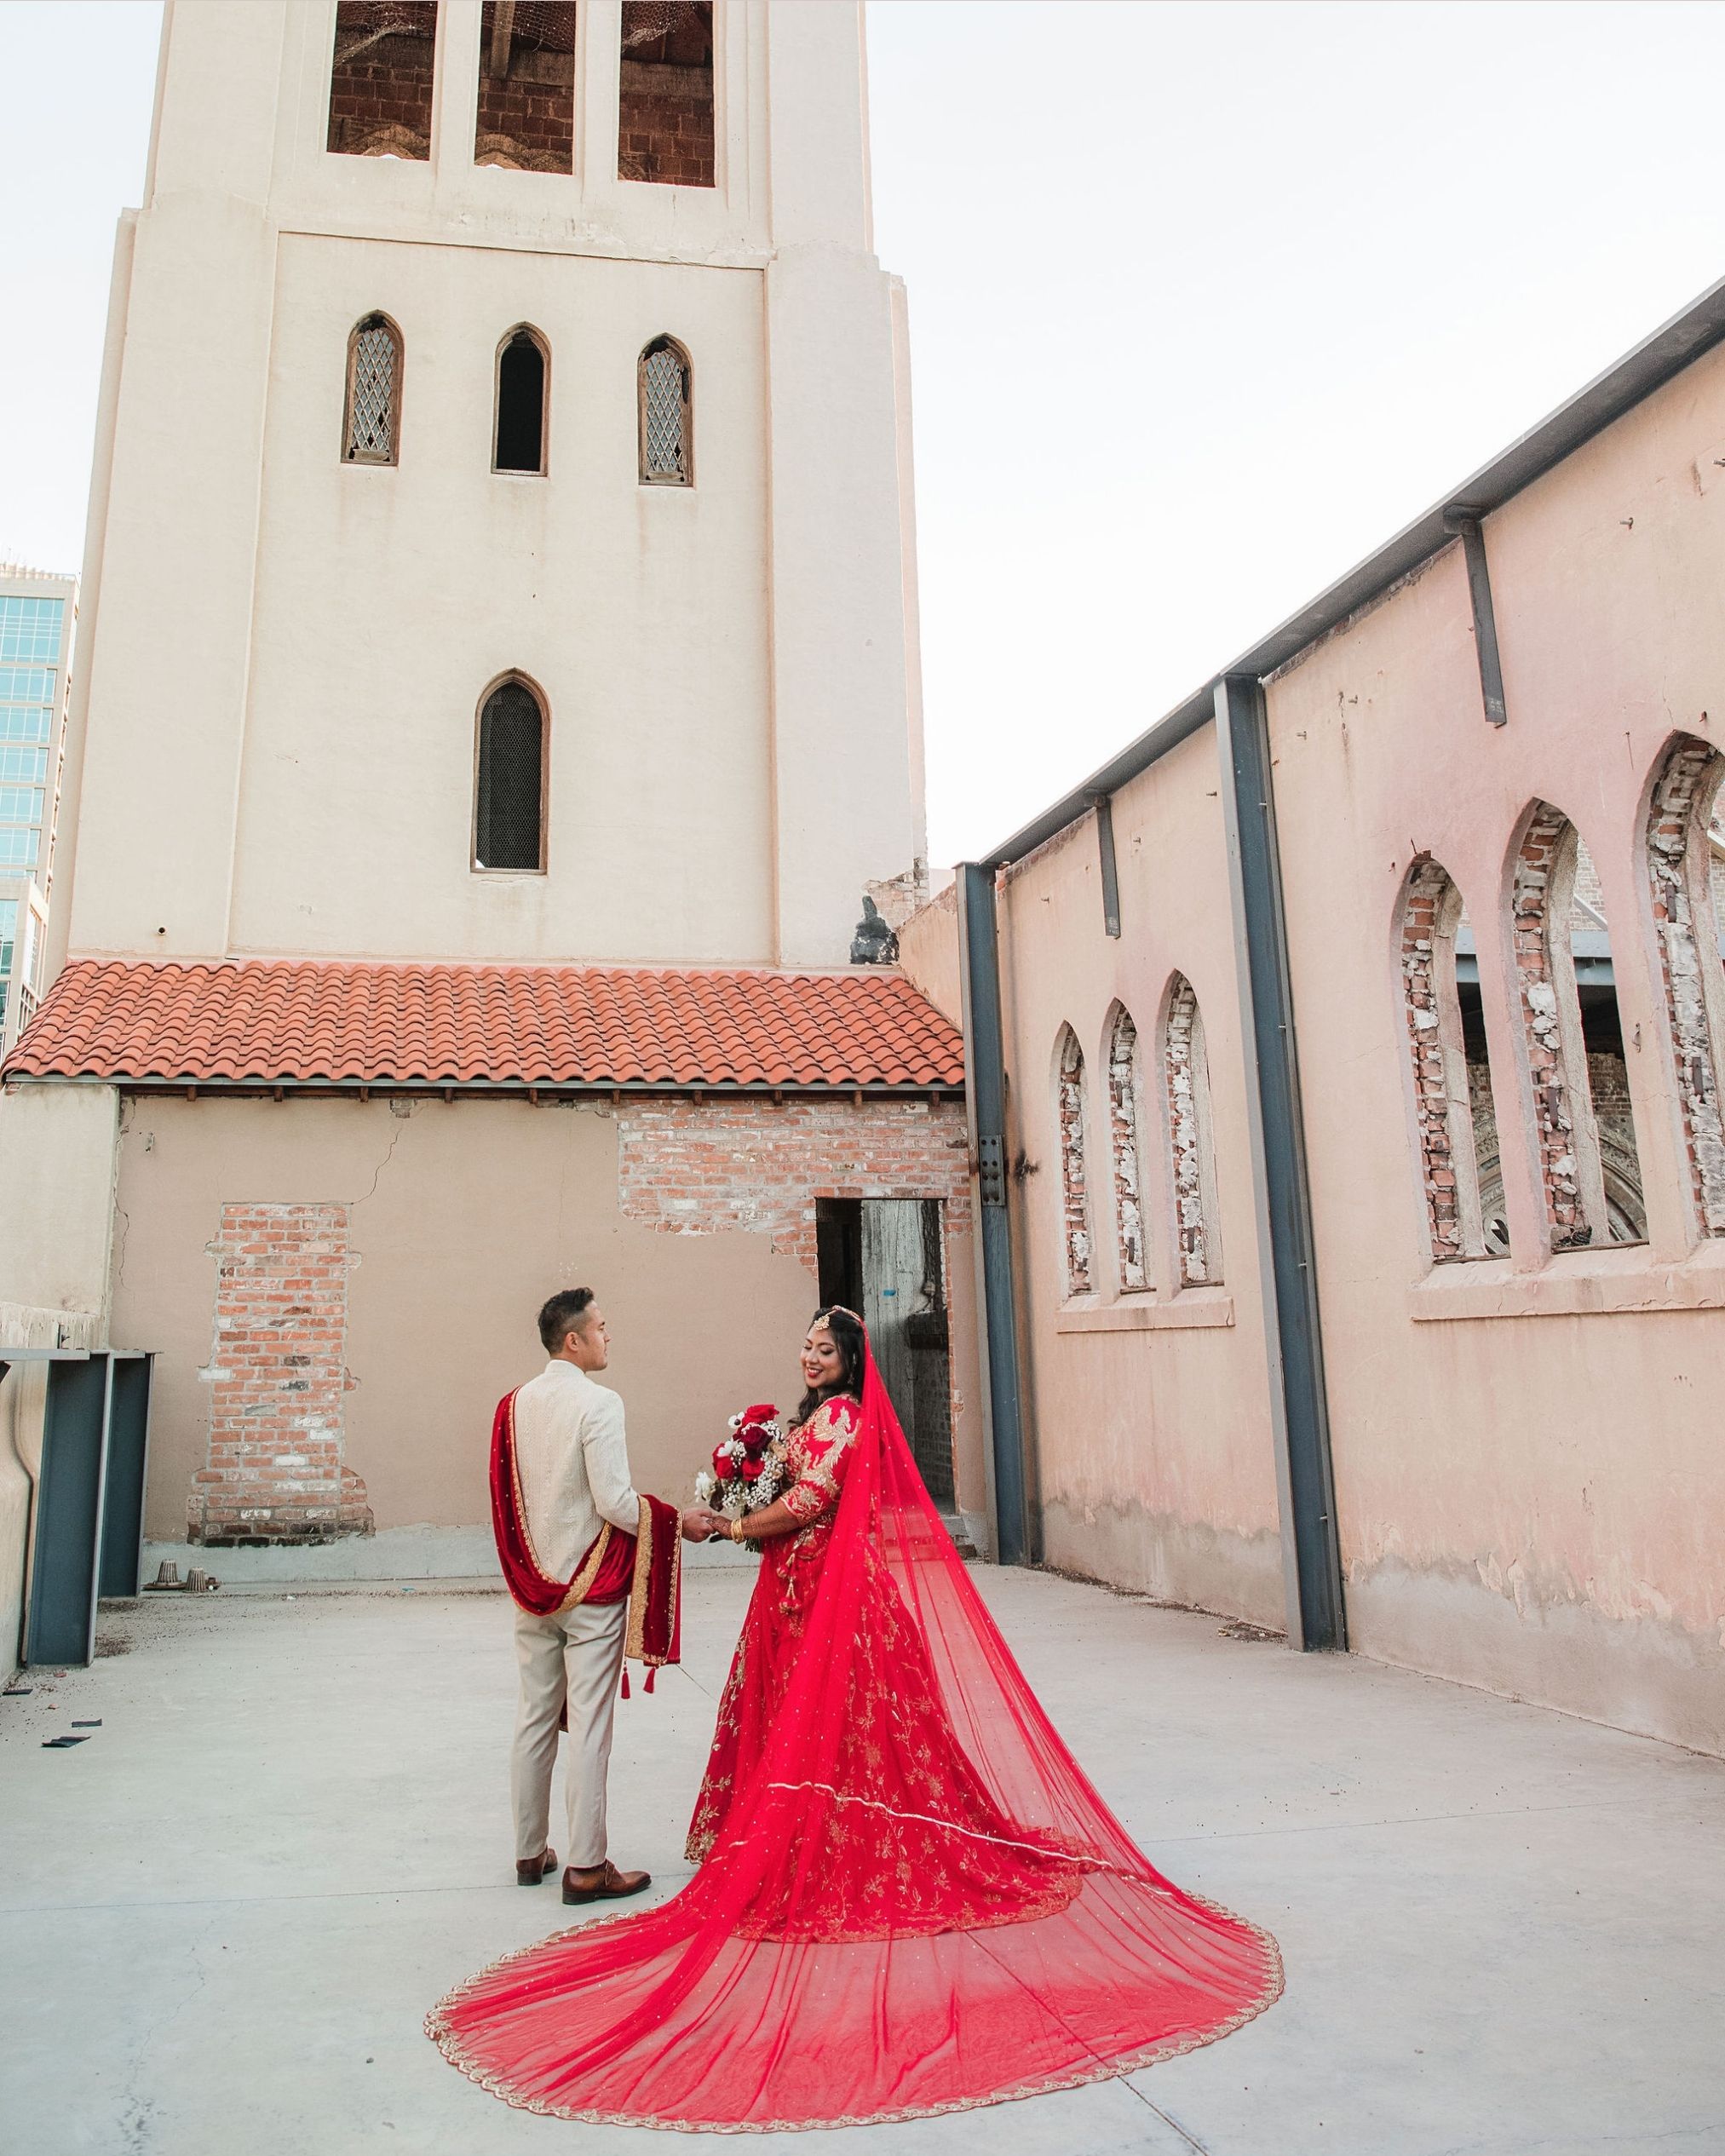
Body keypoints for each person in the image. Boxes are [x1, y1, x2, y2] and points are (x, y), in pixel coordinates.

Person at [433, 1306, 1281, 2130]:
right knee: (767, 1727)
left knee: (826, 1729)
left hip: (824, 1598)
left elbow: (809, 1505)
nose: (810, 1357)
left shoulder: (835, 1419)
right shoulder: (792, 1417)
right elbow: (752, 1493)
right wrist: (732, 1492)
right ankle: (618, 1852)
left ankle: (567, 1848)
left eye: (824, 1348)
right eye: (805, 1344)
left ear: (849, 1360)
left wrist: (724, 1520)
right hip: (783, 1589)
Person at [495, 1288, 704, 1907]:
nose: (609, 1337)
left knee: (535, 1714)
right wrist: (673, 1520)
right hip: (591, 1584)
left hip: (531, 1585)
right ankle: (586, 1866)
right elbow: (614, 1501)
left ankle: (530, 1850)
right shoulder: (599, 1402)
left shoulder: (511, 1405)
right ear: (574, 1341)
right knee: (588, 1724)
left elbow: (511, 1501)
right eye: (602, 1328)